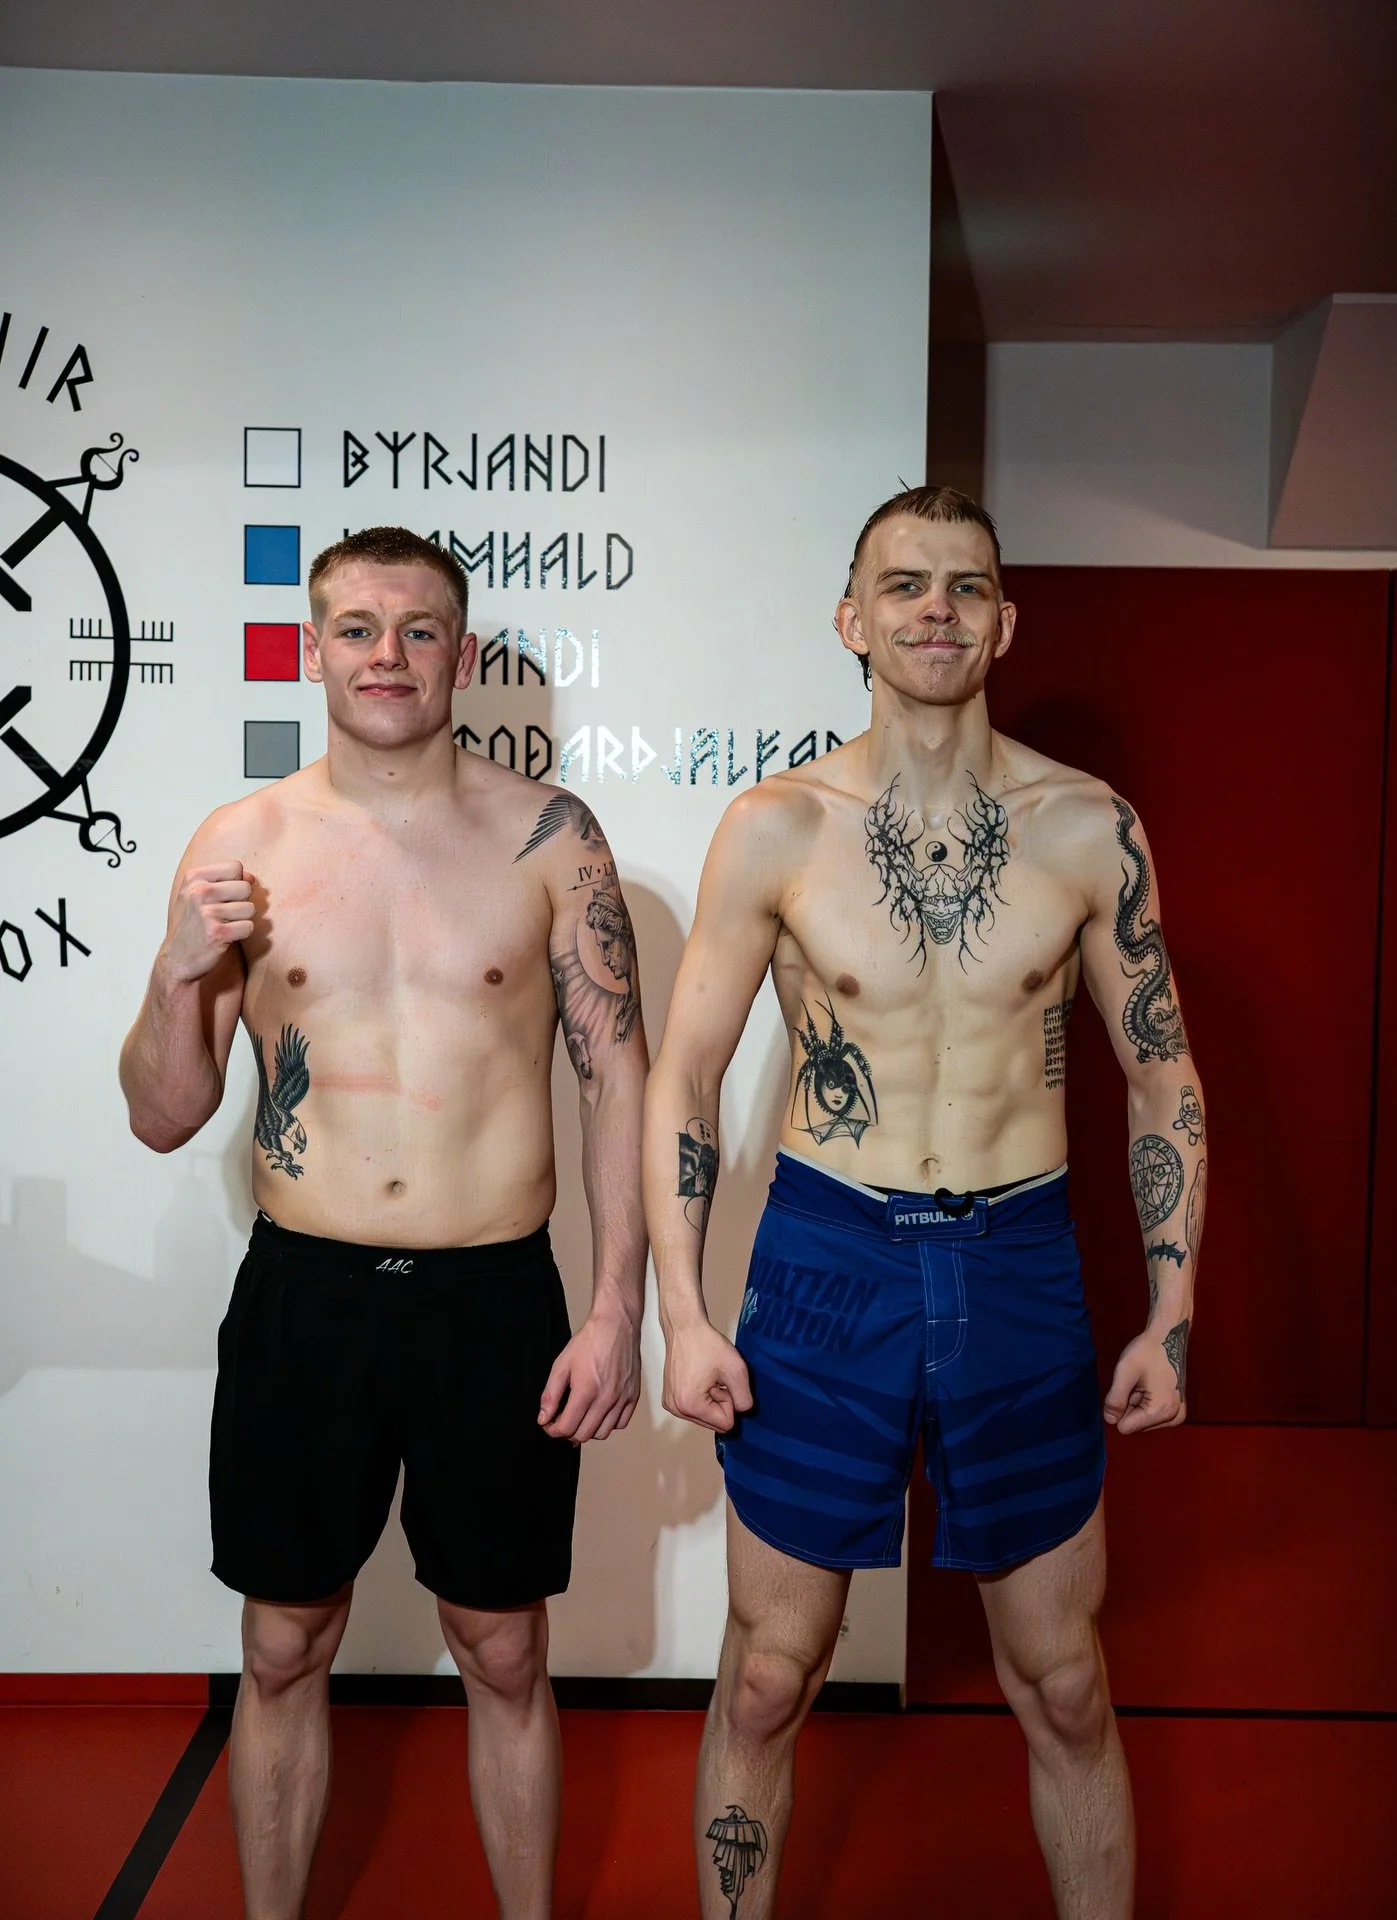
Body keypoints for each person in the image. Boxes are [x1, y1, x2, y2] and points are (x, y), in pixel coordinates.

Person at [645, 486, 1205, 1920]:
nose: (935, 610)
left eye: (965, 587)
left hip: (1017, 1262)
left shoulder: (1089, 827)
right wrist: (683, 1315)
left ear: (1006, 621)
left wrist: (1173, 1314)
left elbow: (1162, 1079)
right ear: (852, 619)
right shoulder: (777, 826)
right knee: (768, 1678)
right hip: (829, 1253)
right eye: (904, 585)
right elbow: (684, 1077)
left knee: (1064, 1681)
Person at [120, 525, 647, 1920]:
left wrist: (617, 1310)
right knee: (282, 1645)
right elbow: (165, 1116)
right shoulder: (242, 845)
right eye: (357, 628)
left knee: (505, 1648)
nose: (388, 656)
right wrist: (176, 974)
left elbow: (621, 1084)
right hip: (309, 1296)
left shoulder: (551, 838)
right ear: (314, 651)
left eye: (419, 630)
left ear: (461, 655)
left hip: (493, 1298)